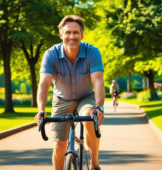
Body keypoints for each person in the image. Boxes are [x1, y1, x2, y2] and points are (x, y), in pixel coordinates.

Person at [35, 15, 105, 170]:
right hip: (61, 99)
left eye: (75, 32)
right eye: (67, 33)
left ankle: (94, 164)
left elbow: (98, 81)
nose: (71, 36)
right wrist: (41, 110)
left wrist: (99, 107)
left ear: (81, 34)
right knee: (59, 145)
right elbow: (44, 83)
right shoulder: (51, 54)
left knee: (89, 118)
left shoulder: (92, 52)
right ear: (61, 35)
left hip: (86, 97)